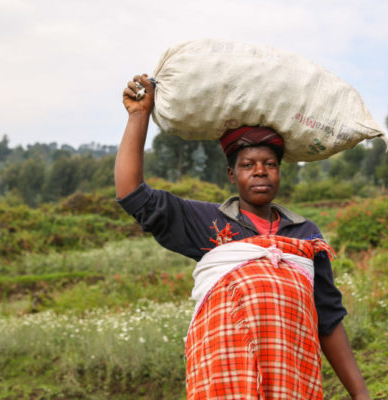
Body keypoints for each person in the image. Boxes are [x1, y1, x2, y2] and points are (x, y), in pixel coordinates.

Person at [115, 74, 371, 400]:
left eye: (269, 164)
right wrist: (139, 116)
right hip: (225, 383)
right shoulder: (208, 222)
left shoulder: (306, 235)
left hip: (292, 383)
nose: (260, 171)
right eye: (248, 164)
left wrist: (361, 394)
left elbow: (329, 319)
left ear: (280, 171)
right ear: (232, 175)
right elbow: (132, 195)